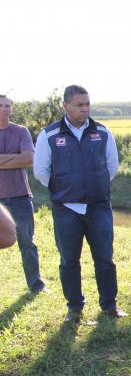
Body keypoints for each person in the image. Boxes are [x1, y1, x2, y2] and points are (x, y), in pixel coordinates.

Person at [34, 85, 127, 322]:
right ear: (65, 106)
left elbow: (111, 167)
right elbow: (41, 172)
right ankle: (74, 308)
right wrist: (66, 189)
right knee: (69, 260)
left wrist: (93, 187)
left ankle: (109, 305)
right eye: (79, 104)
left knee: (105, 258)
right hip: (66, 209)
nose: (84, 109)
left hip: (98, 207)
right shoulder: (50, 135)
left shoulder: (103, 132)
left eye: (87, 104)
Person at [0, 95, 47, 292]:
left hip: (20, 195)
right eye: (1, 106)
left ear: (13, 109)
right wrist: (14, 158)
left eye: (8, 106)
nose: (4, 109)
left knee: (27, 242)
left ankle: (36, 285)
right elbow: (21, 157)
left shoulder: (21, 131)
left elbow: (29, 158)